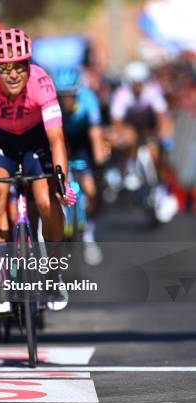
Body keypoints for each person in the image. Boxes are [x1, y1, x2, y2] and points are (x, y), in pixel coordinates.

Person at [0, 29, 76, 313]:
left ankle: (54, 275)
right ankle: (0, 284)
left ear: (28, 65)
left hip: (36, 141)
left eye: (19, 66)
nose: (12, 75)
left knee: (47, 201)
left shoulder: (42, 82)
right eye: (4, 68)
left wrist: (62, 182)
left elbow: (57, 138)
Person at [110, 61, 177, 222]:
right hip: (131, 129)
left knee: (157, 151)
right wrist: (120, 137)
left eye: (141, 83)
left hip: (150, 128)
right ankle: (131, 167)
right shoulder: (122, 94)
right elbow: (117, 122)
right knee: (128, 136)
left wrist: (164, 135)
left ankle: (160, 186)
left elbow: (162, 117)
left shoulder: (152, 91)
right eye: (135, 84)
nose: (139, 87)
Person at [51, 67, 105, 265]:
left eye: (70, 95)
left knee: (91, 191)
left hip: (83, 143)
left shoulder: (88, 100)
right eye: (62, 95)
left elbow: (96, 135)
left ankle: (89, 236)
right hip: (62, 141)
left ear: (77, 92)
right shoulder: (53, 104)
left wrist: (99, 166)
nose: (66, 100)